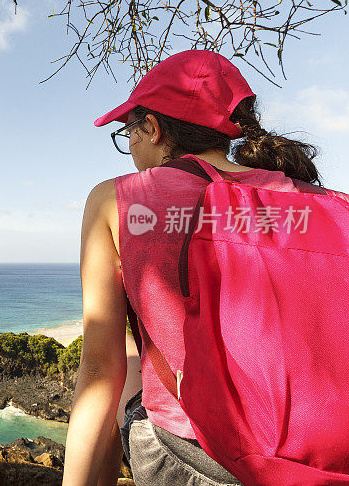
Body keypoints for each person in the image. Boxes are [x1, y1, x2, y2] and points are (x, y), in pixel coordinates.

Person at [60, 49, 349, 486]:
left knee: (129, 367)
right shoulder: (324, 203)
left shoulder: (118, 200)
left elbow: (100, 373)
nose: (130, 147)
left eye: (129, 133)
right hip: (325, 463)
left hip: (194, 458)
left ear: (153, 128)